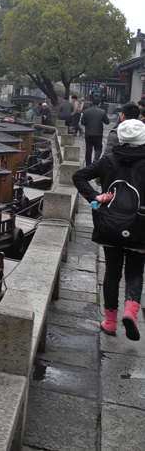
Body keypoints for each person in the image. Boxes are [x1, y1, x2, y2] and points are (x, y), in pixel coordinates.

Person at [72, 119, 145, 340]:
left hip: (110, 223)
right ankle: (131, 311)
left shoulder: (109, 160)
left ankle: (110, 322)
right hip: (140, 226)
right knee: (134, 272)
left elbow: (79, 176)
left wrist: (95, 196)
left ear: (120, 138)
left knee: (112, 272)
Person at [80, 99, 111, 165]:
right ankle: (96, 159)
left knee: (88, 149)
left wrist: (88, 124)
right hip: (98, 133)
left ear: (91, 102)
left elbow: (82, 122)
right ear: (99, 103)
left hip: (88, 133)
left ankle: (88, 164)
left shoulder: (86, 111)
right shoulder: (102, 112)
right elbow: (107, 122)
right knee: (98, 148)